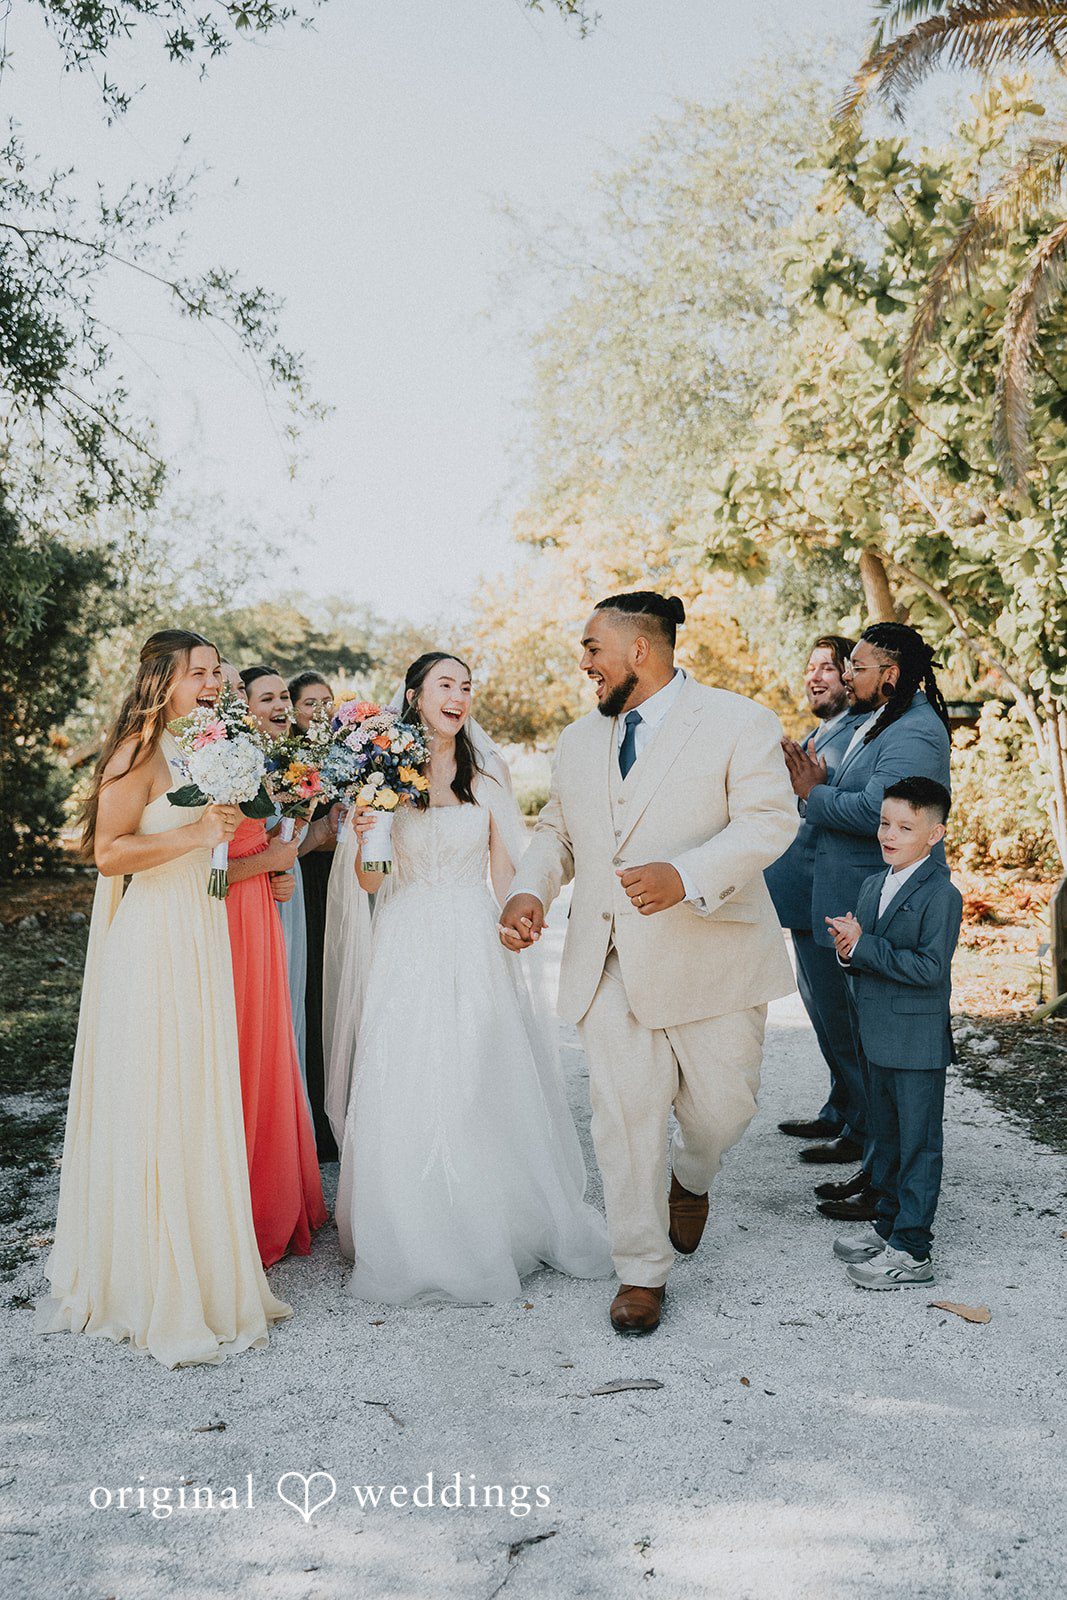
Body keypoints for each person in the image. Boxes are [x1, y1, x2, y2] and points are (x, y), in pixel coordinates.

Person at [501, 593, 798, 1336]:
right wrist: (528, 891)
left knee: (724, 1109)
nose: (583, 664)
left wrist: (686, 874)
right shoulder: (576, 741)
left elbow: (770, 819)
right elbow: (556, 834)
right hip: (608, 961)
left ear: (639, 650)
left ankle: (692, 1176)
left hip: (714, 955)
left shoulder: (739, 722)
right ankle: (639, 1271)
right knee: (622, 1116)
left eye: (592, 648)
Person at [35, 630, 290, 1368]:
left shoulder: (205, 748)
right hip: (151, 940)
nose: (212, 683)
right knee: (155, 1092)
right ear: (162, 680)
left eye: (216, 672)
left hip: (201, 932)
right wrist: (193, 838)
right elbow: (108, 853)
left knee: (196, 1094)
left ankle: (209, 1268)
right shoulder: (135, 755)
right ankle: (146, 1275)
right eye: (198, 673)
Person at [331, 652, 613, 1305]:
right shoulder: (381, 771)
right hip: (405, 937)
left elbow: (504, 868)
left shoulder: (487, 774)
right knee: (408, 1071)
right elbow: (369, 884)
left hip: (471, 931)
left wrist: (521, 914)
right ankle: (409, 1228)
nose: (458, 697)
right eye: (445, 686)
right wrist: (368, 830)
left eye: (465, 687)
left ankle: (493, 1219)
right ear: (414, 695)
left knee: (477, 1067)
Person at [781, 623, 952, 1220]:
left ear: (892, 674)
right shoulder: (881, 721)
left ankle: (892, 1190)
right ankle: (876, 1172)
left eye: (857, 666)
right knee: (867, 1047)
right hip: (862, 897)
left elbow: (882, 812)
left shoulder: (917, 731)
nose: (847, 675)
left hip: (891, 907)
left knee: (887, 1051)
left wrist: (813, 792)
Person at [826, 778, 962, 1288]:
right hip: (878, 1034)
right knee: (886, 1137)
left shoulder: (942, 895)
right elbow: (865, 957)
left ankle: (913, 1251)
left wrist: (865, 947)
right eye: (885, 822)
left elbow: (930, 969)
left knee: (918, 1144)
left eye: (906, 827)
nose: (889, 834)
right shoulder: (872, 883)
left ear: (934, 834)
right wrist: (849, 951)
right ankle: (888, 1227)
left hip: (917, 1042)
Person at [226, 668, 327, 1267]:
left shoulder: (286, 760)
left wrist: (293, 848)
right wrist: (278, 857)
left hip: (272, 898)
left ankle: (281, 1168)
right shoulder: (229, 759)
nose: (280, 706)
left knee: (278, 1032)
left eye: (282, 697)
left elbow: (279, 837)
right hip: (235, 906)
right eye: (267, 698)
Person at [765, 635, 861, 1145]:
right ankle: (838, 1106)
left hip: (829, 901)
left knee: (842, 1020)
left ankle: (861, 1127)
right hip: (802, 903)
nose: (815, 676)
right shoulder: (817, 734)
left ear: (852, 677)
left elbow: (834, 812)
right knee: (821, 1016)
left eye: (828, 667)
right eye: (811, 667)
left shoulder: (856, 736)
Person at [289, 669, 340, 1161]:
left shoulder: (347, 755)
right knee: (311, 995)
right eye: (309, 703)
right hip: (307, 887)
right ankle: (312, 1122)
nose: (320, 711)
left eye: (327, 701)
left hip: (345, 885)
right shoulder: (288, 761)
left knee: (341, 994)